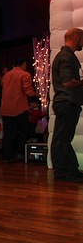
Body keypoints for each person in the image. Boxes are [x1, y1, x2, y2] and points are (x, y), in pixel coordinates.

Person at [50, 28, 83, 183]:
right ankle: (63, 172)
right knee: (62, 139)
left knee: (63, 138)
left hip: (66, 102)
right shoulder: (67, 57)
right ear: (76, 37)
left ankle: (70, 170)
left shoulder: (64, 56)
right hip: (67, 102)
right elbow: (67, 81)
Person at [0, 58, 36, 163]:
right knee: (23, 131)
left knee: (8, 133)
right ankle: (20, 153)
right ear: (23, 64)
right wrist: (35, 93)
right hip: (19, 107)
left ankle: (6, 156)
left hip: (6, 108)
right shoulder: (25, 74)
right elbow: (28, 91)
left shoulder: (6, 76)